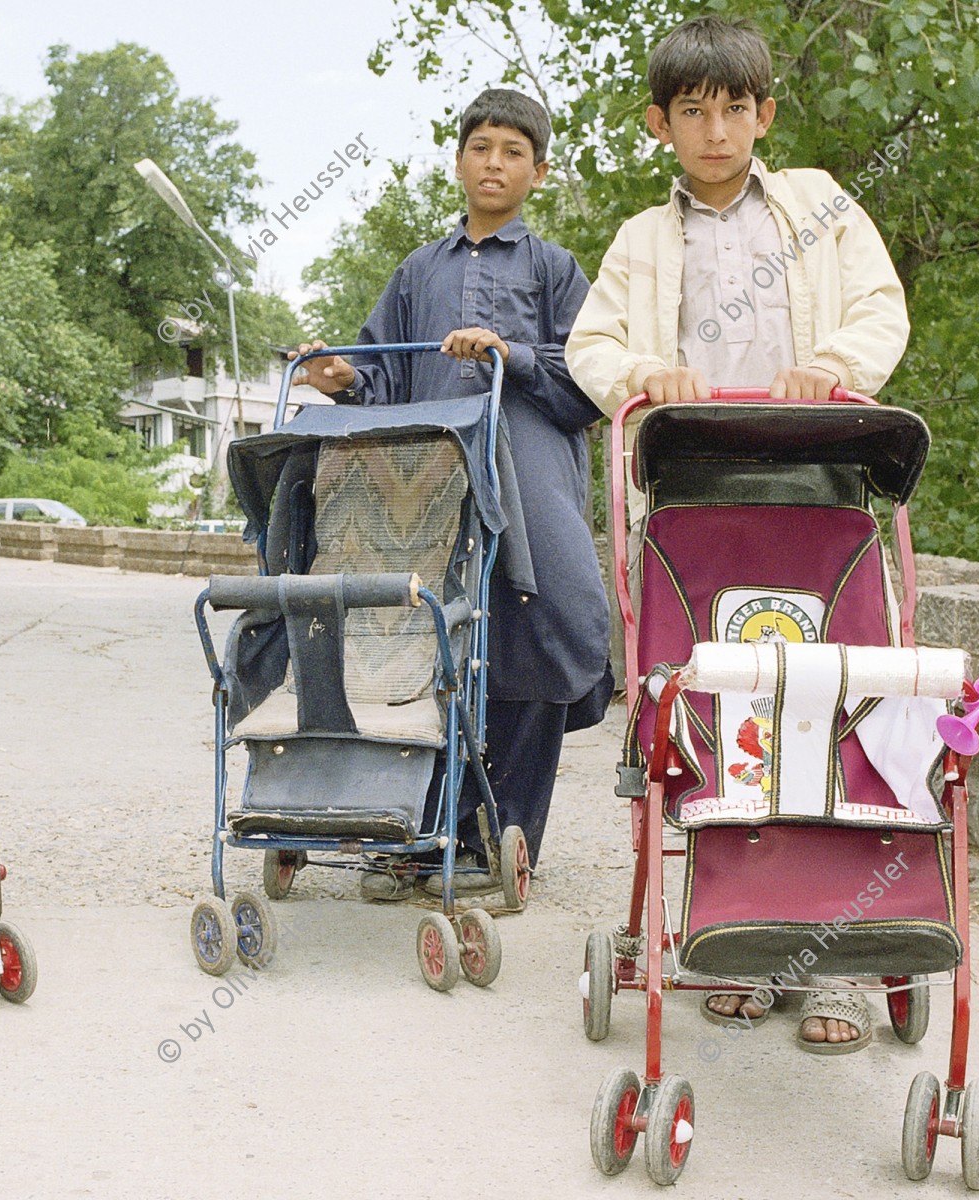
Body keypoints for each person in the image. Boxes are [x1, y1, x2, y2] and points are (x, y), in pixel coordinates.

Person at [564, 15, 911, 1052]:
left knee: (835, 705)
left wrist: (835, 365)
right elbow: (594, 342)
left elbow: (882, 310)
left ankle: (842, 963)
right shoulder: (643, 238)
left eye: (733, 109)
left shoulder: (822, 209)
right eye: (691, 112)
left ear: (764, 115)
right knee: (725, 713)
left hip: (820, 482)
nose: (714, 131)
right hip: (696, 500)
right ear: (659, 123)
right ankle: (748, 936)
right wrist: (642, 376)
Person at [295, 88, 613, 901]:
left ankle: (504, 838)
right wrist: (338, 377)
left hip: (531, 479)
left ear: (538, 172)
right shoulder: (418, 270)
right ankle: (416, 834)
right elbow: (381, 374)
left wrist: (515, 353)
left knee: (535, 635)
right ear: (459, 160)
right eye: (482, 148)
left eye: (513, 151)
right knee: (437, 645)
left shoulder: (555, 270)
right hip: (434, 487)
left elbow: (594, 385)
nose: (495, 164)